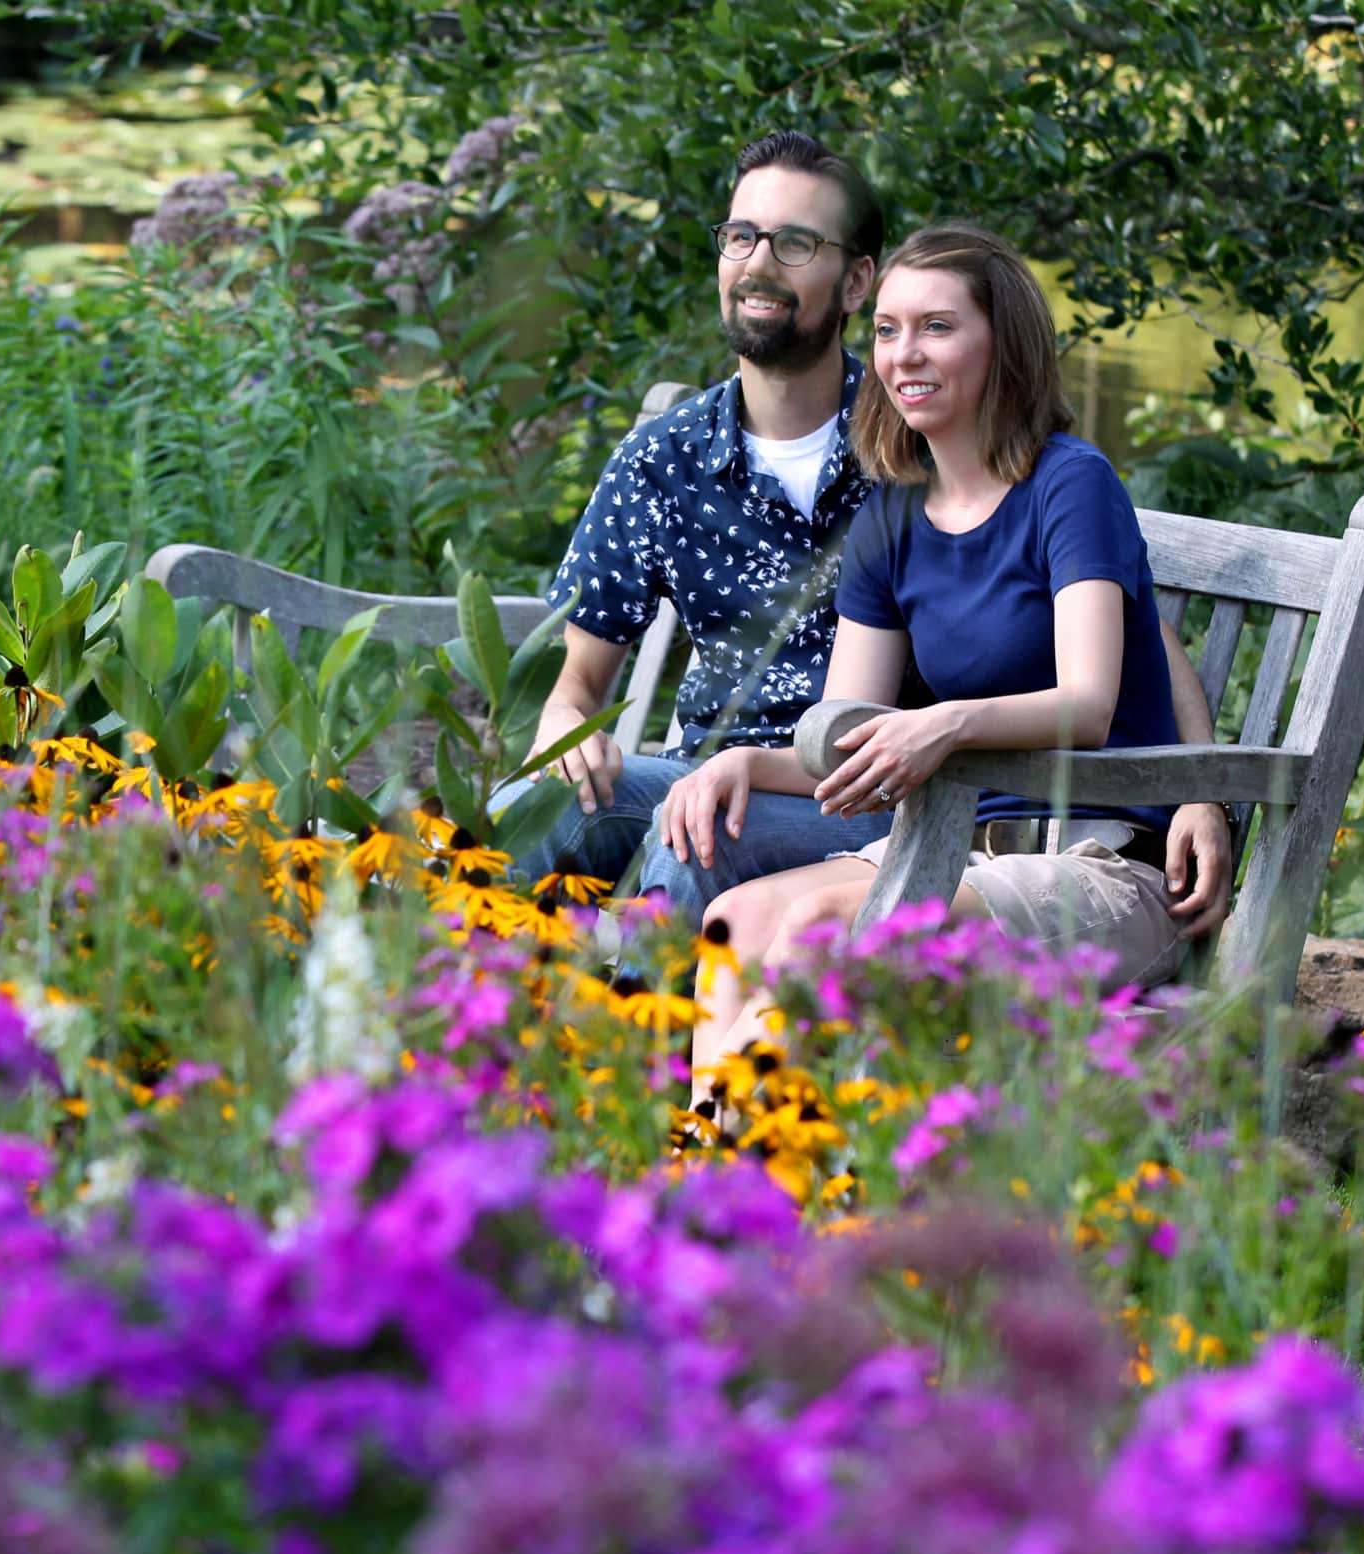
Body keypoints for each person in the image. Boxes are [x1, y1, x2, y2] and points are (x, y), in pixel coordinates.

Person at [506, 134, 1230, 935]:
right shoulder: (666, 459)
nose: (758, 264)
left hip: (897, 793)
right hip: (733, 770)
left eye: (794, 243)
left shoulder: (922, 433)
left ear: (854, 279)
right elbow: (575, 683)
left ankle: (660, 1053)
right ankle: (450, 1029)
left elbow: (1129, 633)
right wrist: (564, 730)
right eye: (741, 237)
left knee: (698, 844)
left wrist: (1198, 785)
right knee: (533, 810)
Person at [685, 220, 1233, 1073]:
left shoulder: (1070, 483)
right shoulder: (894, 515)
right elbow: (851, 736)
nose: (905, 355)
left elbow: (1087, 708)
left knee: (819, 930)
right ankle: (722, 1176)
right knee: (733, 926)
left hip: (1100, 871)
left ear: (1002, 345)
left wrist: (943, 723)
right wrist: (745, 764)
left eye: (938, 327)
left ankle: (731, 1175)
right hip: (950, 854)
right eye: (889, 329)